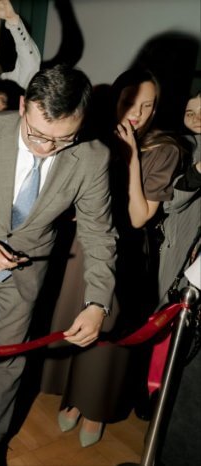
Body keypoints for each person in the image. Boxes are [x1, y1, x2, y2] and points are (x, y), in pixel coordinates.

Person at [0, 64, 117, 466]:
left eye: (62, 139)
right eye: (37, 135)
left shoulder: (92, 157)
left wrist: (98, 302)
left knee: (9, 356)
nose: (46, 148)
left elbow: (98, 233)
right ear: (24, 105)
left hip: (27, 268)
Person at [41, 68, 183, 447]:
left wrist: (131, 158)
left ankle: (96, 408)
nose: (137, 112)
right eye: (129, 102)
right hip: (83, 247)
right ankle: (72, 398)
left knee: (106, 335)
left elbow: (139, 216)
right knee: (73, 321)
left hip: (126, 252)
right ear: (116, 100)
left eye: (147, 106)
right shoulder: (93, 135)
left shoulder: (165, 149)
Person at [157, 91, 201, 466]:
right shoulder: (178, 146)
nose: (196, 117)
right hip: (174, 254)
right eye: (191, 110)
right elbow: (169, 201)